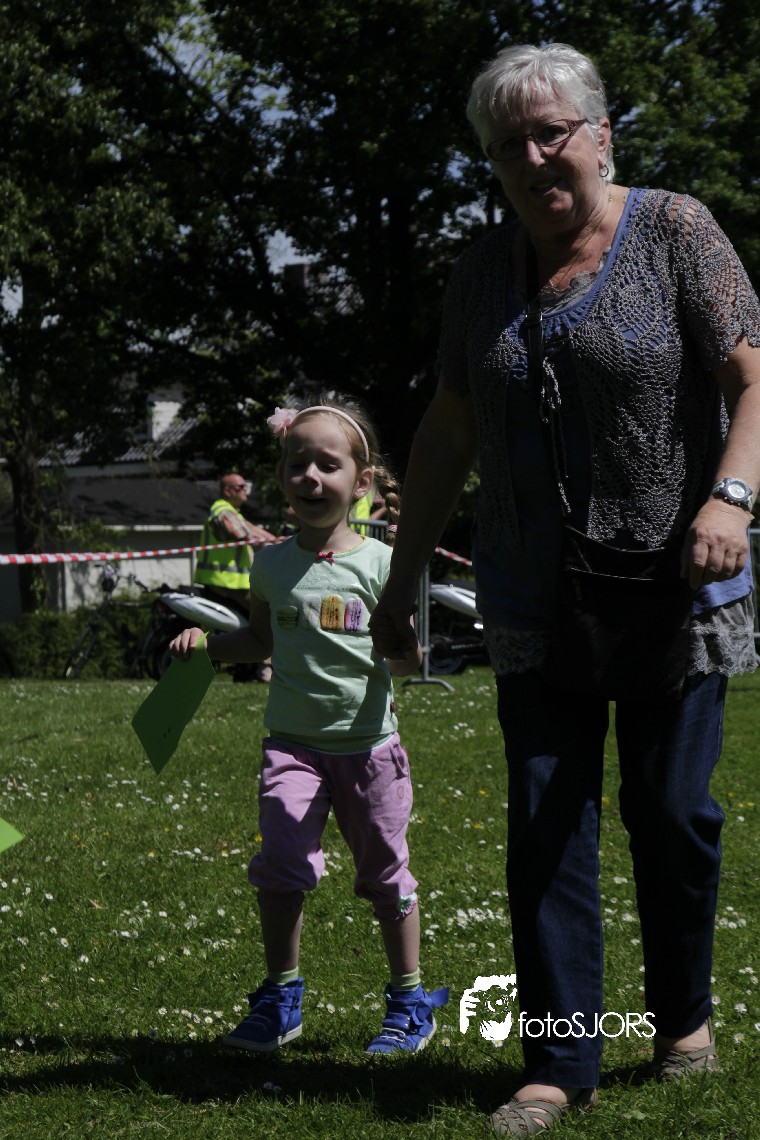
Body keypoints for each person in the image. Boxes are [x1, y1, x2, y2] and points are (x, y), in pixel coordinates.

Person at [369, 41, 760, 1135]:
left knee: (672, 814)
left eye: (551, 133)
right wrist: (402, 579)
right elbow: (449, 429)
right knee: (547, 824)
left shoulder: (676, 230)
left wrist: (730, 499)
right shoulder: (480, 272)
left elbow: (753, 376)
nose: (534, 158)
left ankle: (683, 1021)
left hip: (672, 581)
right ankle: (557, 1063)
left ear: (600, 134)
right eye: (508, 146)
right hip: (532, 592)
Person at [170, 398, 448, 1055]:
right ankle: (280, 1000)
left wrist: (403, 643)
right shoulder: (270, 566)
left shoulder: (382, 564)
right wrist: (205, 646)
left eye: (328, 465)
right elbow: (259, 641)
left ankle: (409, 1002)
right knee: (280, 867)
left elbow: (406, 661)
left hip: (369, 751)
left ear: (362, 481)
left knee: (385, 876)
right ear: (281, 476)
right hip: (291, 749)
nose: (311, 477)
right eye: (298, 465)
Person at [194, 473, 274, 682]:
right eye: (239, 487)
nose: (245, 490)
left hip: (227, 581)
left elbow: (251, 529)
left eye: (245, 486)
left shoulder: (233, 512)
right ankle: (266, 667)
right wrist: (258, 540)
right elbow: (242, 532)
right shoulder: (222, 510)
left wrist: (281, 542)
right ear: (227, 490)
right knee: (270, 612)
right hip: (226, 581)